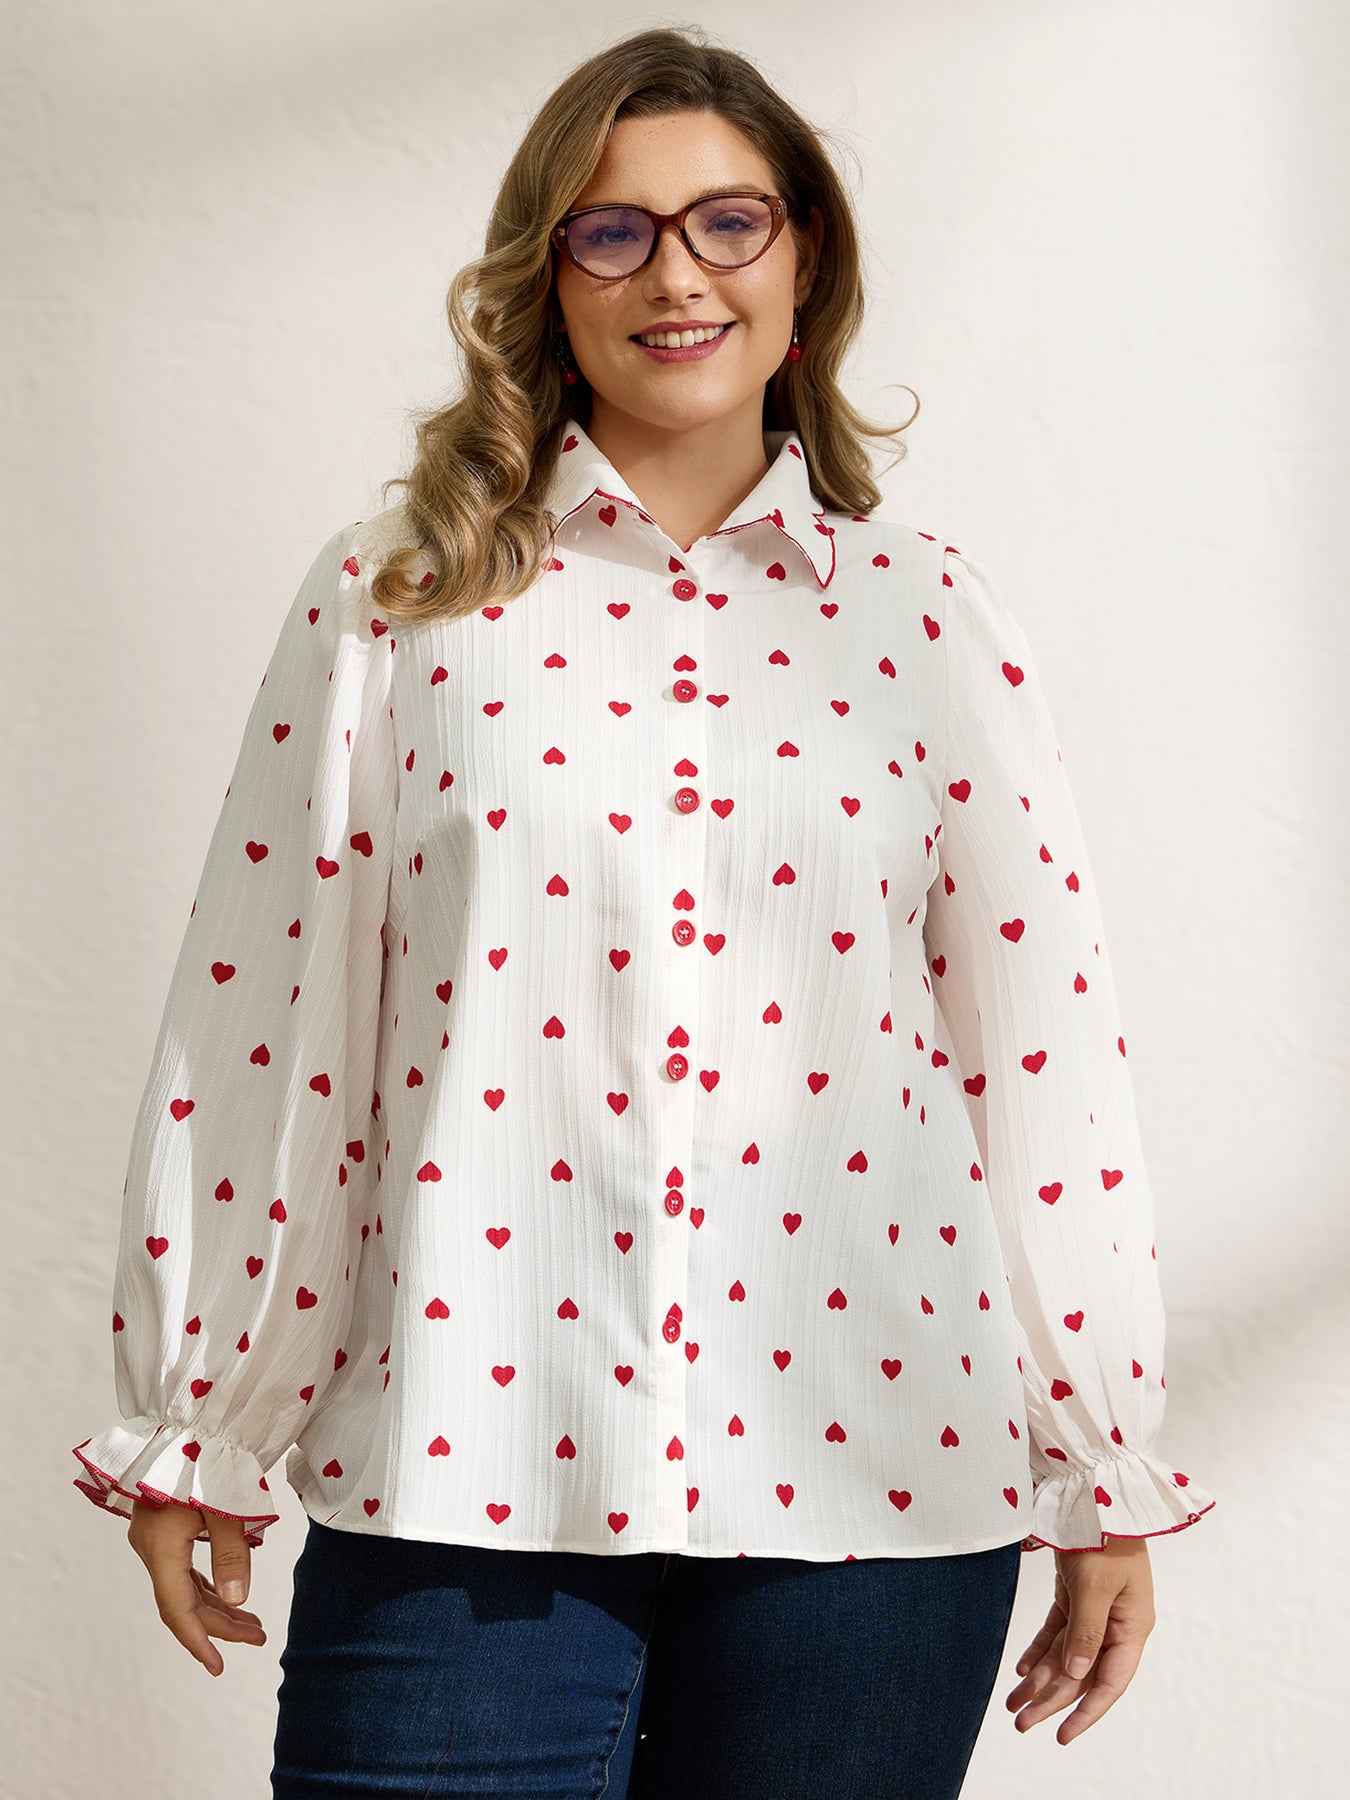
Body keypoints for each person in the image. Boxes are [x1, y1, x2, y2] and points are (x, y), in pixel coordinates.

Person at [71, 24, 1216, 1799]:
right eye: (611, 232)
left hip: (878, 1493)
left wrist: (1096, 1464)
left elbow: (1041, 1063)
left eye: (727, 223)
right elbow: (274, 1020)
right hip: (467, 1461)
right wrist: (205, 1414)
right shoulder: (400, 596)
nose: (675, 275)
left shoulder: (928, 619)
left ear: (803, 258)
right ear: (548, 277)